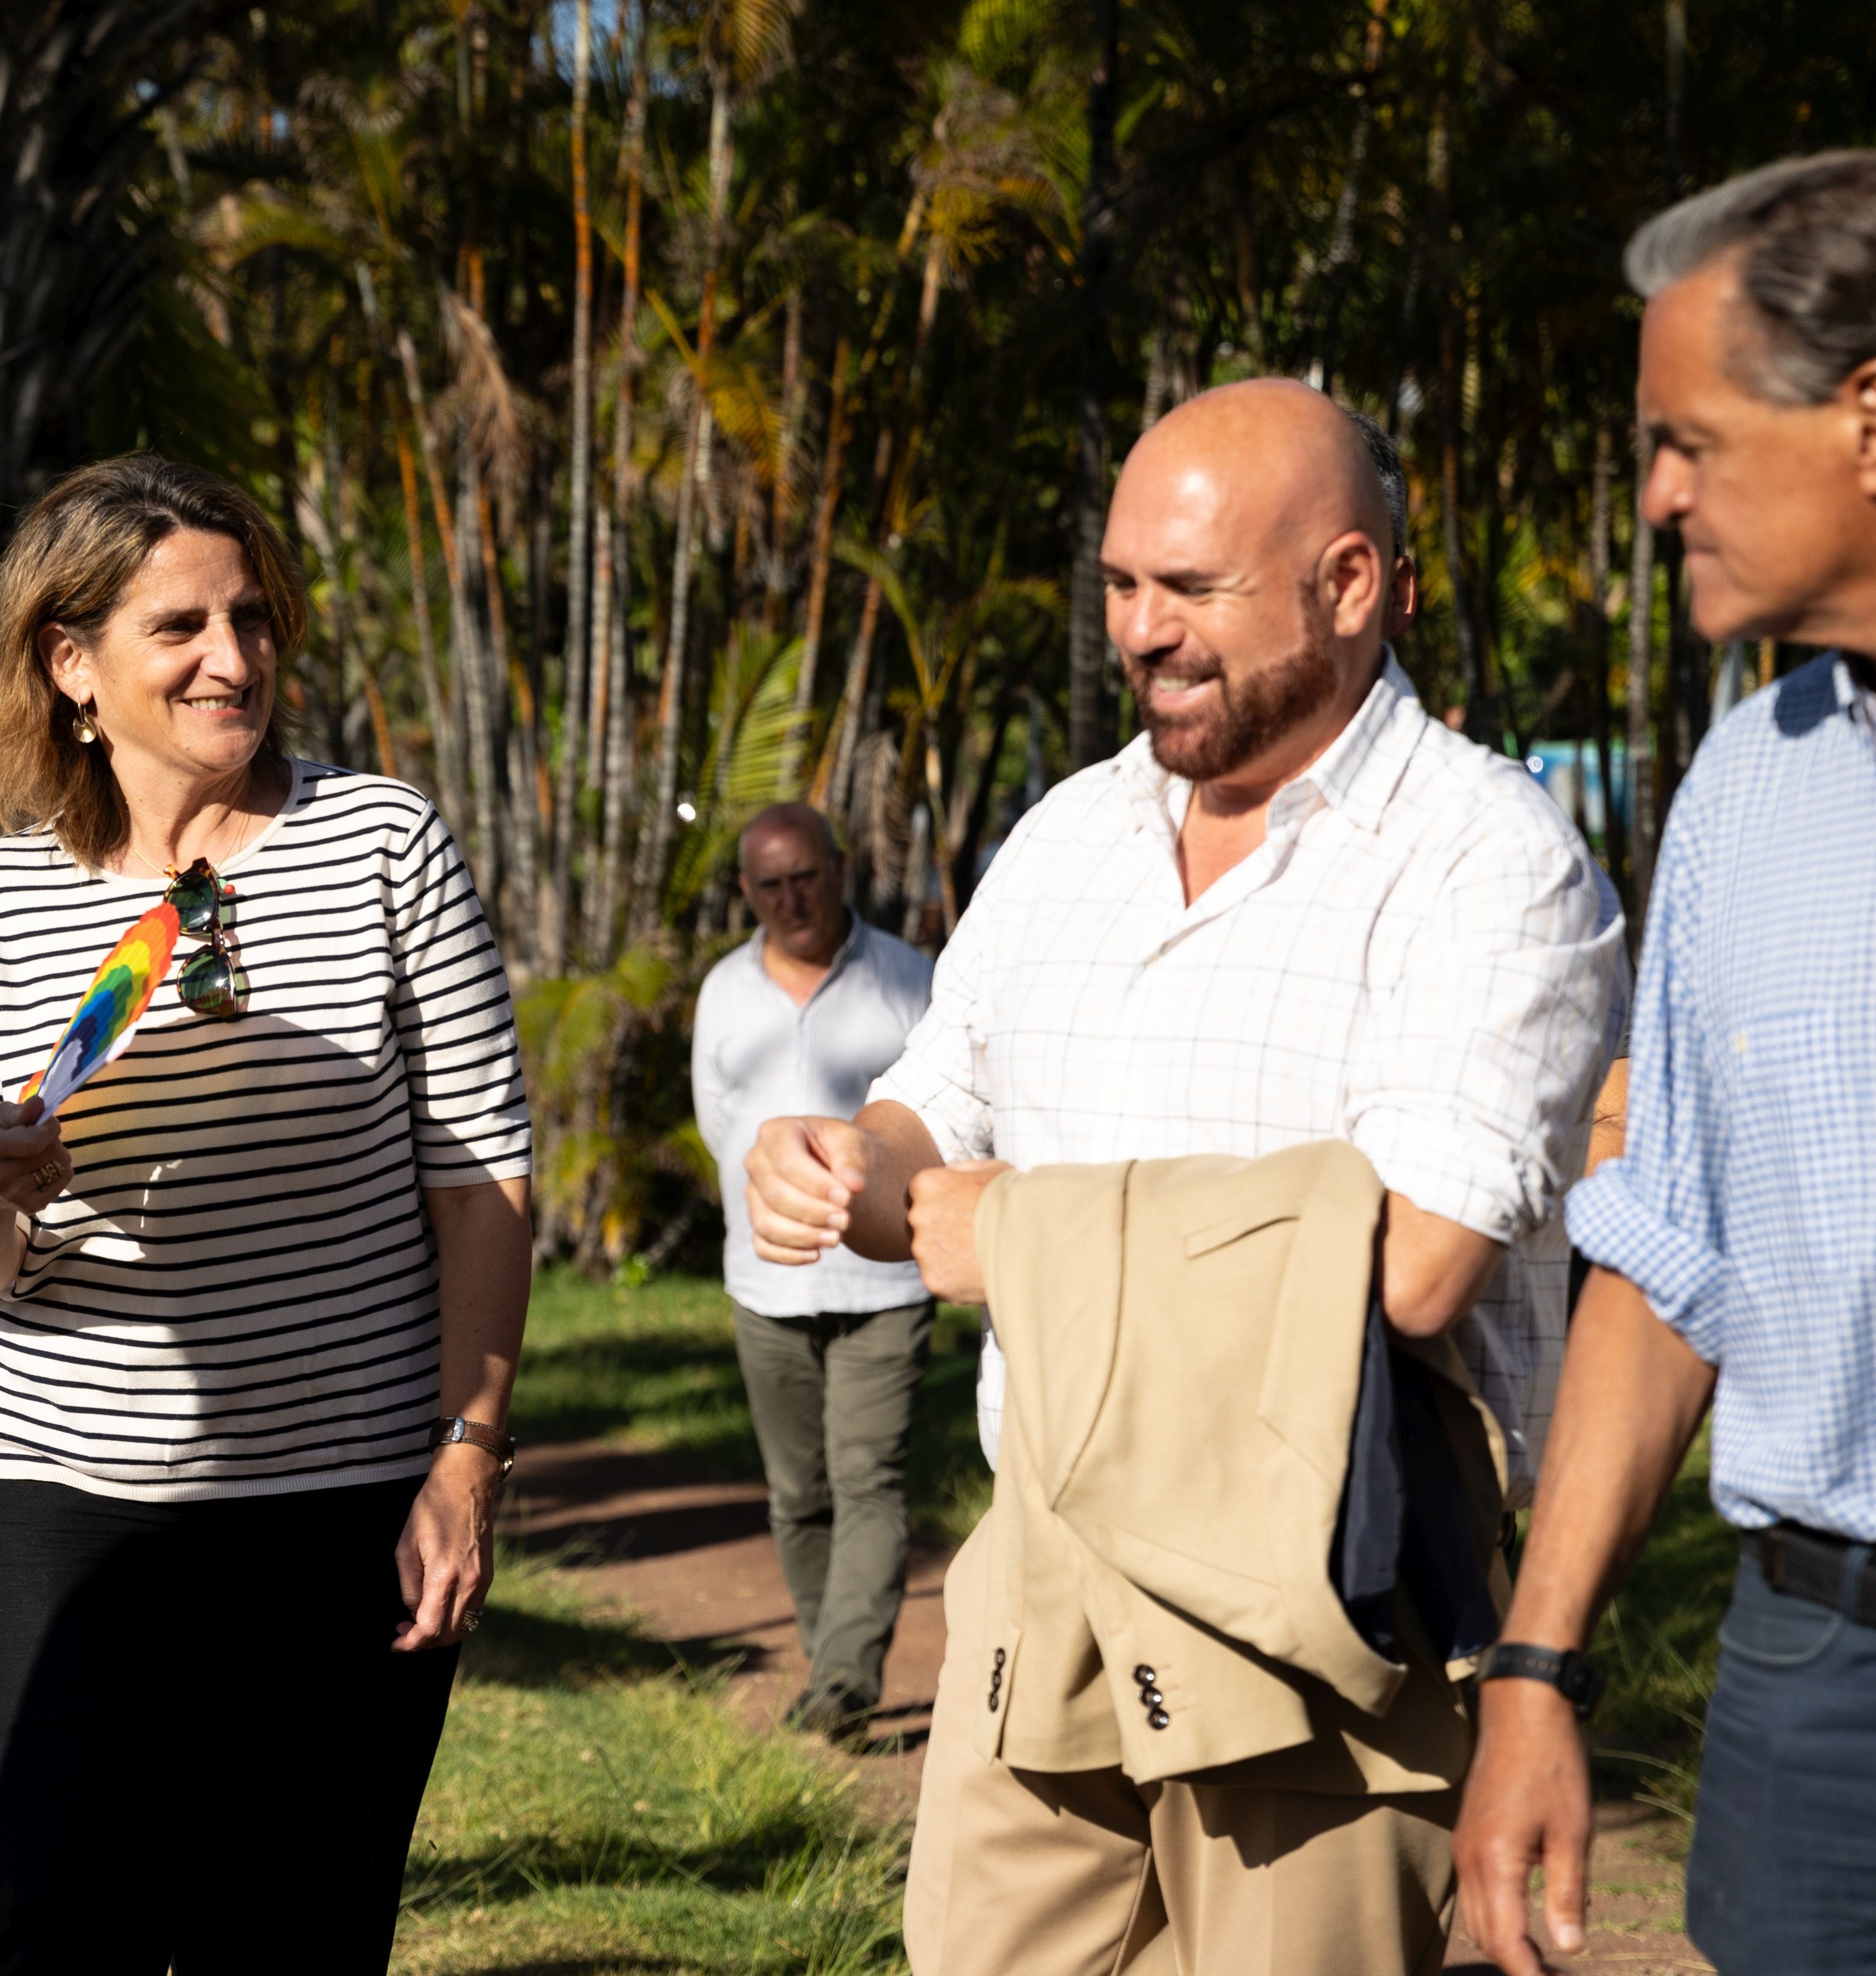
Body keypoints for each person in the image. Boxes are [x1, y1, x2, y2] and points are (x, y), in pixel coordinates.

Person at [745, 378, 1623, 1976]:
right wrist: (839, 1155)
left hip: (1315, 1597)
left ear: (1347, 584)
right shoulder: (1069, 835)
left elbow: (1413, 1257)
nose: (1138, 632)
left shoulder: (1489, 863)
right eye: (1118, 584)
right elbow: (933, 1113)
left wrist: (1016, 1233)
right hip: (1041, 1563)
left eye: (1191, 590)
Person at [0, 453, 533, 1973]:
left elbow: (485, 1181)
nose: (232, 657)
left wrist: (466, 1457)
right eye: (177, 626)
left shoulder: (382, 844)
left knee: (297, 1937)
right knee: (56, 1937)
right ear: (70, 664)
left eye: (250, 616)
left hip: (342, 1498)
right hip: (54, 1503)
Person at [1456, 151, 1876, 1976]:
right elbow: (1667, 1255)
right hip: (1812, 1710)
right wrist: (1534, 1669)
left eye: (1686, 438)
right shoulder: (1738, 798)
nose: (1657, 494)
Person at [691, 801, 935, 1738]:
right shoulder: (724, 992)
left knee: (869, 1475)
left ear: (840, 869)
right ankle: (828, 1650)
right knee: (799, 1489)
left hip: (883, 1284)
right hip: (766, 1282)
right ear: (747, 892)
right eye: (770, 883)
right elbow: (721, 1125)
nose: (791, 897)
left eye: (806, 874)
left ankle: (842, 1683)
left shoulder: (909, 981)